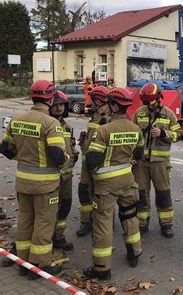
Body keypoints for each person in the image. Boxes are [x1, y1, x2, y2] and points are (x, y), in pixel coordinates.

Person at [0, 80, 69, 279]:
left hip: (23, 181)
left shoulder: (17, 119)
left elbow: (5, 148)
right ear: (50, 98)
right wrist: (65, 160)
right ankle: (39, 266)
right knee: (44, 223)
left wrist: (22, 156)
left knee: (25, 221)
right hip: (45, 185)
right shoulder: (51, 123)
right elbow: (57, 156)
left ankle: (22, 263)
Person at [83, 88, 144, 280]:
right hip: (127, 182)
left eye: (109, 103)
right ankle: (134, 254)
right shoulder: (135, 128)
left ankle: (102, 268)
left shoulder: (104, 130)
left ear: (114, 105)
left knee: (102, 225)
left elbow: (91, 161)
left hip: (106, 186)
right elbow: (139, 155)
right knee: (130, 217)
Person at [131, 83, 181, 237]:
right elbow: (131, 134)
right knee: (141, 194)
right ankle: (142, 223)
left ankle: (166, 225)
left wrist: (163, 133)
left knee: (163, 194)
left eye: (150, 102)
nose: (147, 106)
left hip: (160, 162)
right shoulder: (139, 114)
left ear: (159, 98)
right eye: (145, 102)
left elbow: (178, 134)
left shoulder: (169, 114)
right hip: (141, 163)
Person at [76, 86, 111, 237]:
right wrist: (84, 142)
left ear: (98, 100)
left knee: (101, 194)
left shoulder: (109, 118)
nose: (89, 102)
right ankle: (86, 222)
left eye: (92, 99)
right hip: (86, 163)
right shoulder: (95, 115)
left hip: (101, 164)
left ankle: (104, 222)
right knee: (84, 191)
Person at [50, 91, 79, 251]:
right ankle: (45, 239)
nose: (59, 108)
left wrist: (74, 153)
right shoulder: (47, 124)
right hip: (51, 176)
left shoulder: (67, 126)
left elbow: (70, 145)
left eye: (61, 104)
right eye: (55, 105)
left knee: (65, 206)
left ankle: (59, 237)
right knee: (47, 211)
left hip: (66, 176)